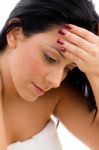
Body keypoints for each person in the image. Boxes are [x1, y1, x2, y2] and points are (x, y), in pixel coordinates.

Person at [0, 0, 99, 149]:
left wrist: (95, 72)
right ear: (15, 34)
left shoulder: (55, 94)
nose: (56, 81)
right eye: (50, 58)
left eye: (68, 68)